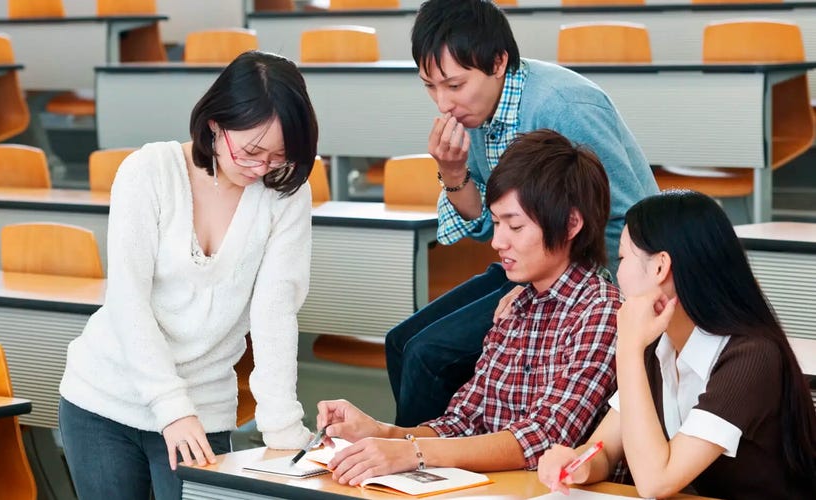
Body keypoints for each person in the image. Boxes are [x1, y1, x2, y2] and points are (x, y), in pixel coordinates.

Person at [58, 51, 319, 500]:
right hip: (103, 400)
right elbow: (128, 301)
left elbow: (276, 312)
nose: (261, 170)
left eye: (278, 157)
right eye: (252, 151)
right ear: (216, 123)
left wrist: (283, 432)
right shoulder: (148, 172)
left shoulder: (284, 191)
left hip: (205, 410)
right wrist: (171, 409)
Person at [386, 0, 659, 427]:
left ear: (498, 63)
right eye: (430, 86)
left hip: (593, 277)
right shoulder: (480, 112)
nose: (443, 104)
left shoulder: (564, 107)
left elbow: (632, 222)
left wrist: (548, 291)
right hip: (537, 264)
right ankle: (437, 457)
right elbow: (481, 227)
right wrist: (454, 171)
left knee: (428, 355)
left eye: (455, 85)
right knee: (401, 342)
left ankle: (427, 469)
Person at [315, 129, 622, 486]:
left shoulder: (601, 311)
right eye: (495, 223)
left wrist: (411, 452)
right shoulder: (516, 305)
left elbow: (545, 437)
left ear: (571, 224)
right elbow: (463, 421)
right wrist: (381, 432)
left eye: (515, 225)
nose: (497, 241)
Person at [537, 190, 816, 499]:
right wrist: (580, 463)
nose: (617, 273)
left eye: (623, 258)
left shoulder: (751, 357)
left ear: (660, 267)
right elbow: (603, 450)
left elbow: (656, 482)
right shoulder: (659, 344)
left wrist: (627, 347)